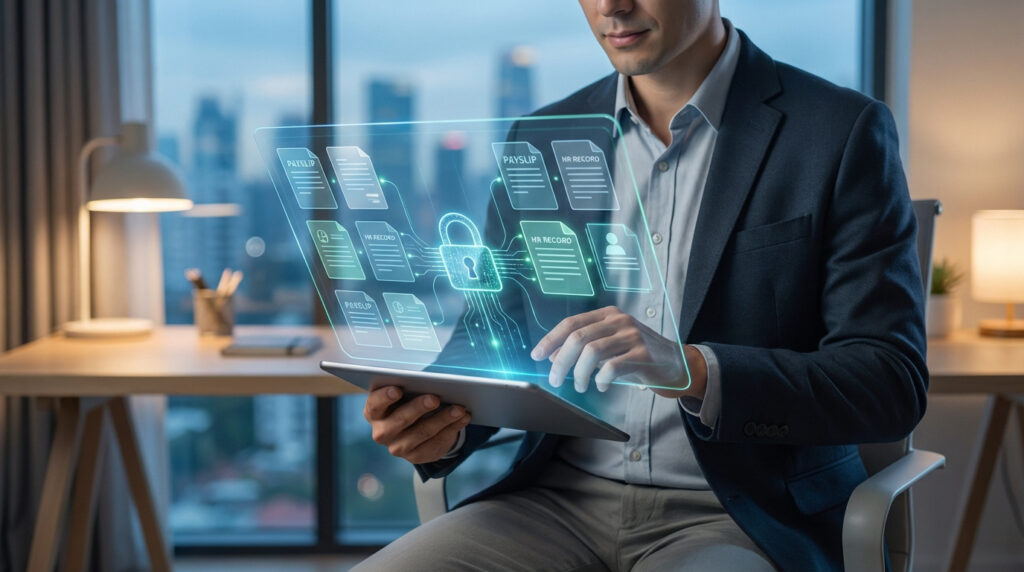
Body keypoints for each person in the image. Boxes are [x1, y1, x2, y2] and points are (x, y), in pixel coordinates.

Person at [357, 0, 927, 569]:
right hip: (552, 503)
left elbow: (889, 381)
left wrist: (693, 369)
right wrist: (437, 423)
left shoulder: (837, 131)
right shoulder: (544, 136)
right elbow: (493, 336)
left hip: (742, 517)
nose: (612, 6)